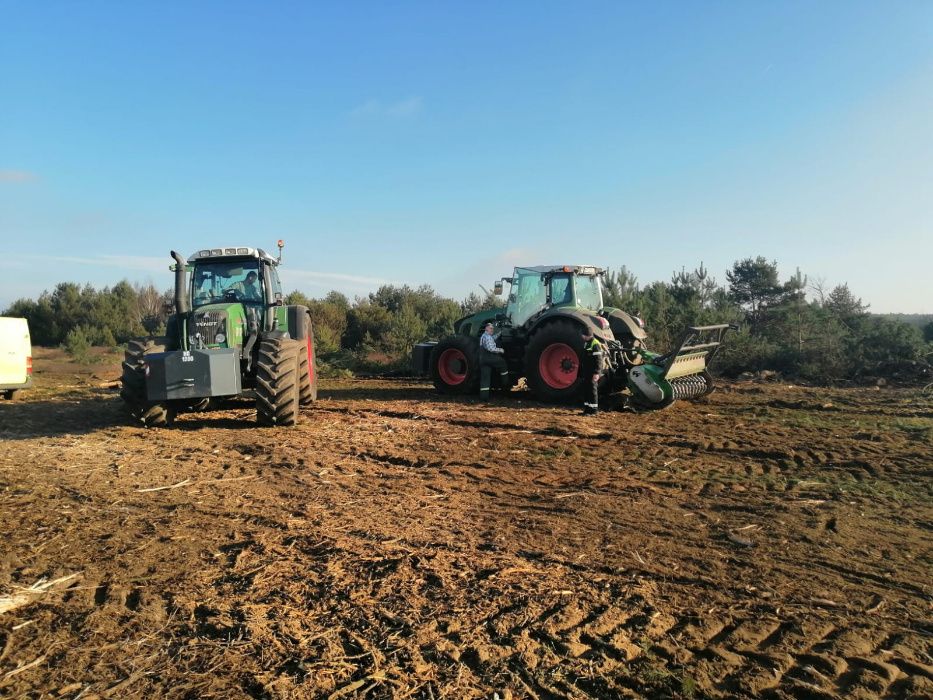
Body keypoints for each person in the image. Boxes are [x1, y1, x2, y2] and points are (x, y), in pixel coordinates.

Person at [479, 323, 509, 401]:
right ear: (486, 329)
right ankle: (505, 384)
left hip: (482, 359)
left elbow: (493, 338)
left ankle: (484, 397)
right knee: (503, 363)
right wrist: (500, 350)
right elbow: (491, 348)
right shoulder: (487, 337)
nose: (492, 329)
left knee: (485, 378)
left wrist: (500, 333)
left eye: (492, 328)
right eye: (491, 328)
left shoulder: (484, 336)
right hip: (489, 357)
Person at [581, 328, 605, 415]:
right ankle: (587, 409)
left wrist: (597, 373)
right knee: (587, 390)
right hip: (587, 371)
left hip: (592, 372)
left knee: (592, 390)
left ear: (586, 335)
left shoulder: (595, 344)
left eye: (583, 335)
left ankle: (594, 410)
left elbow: (599, 360)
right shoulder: (587, 343)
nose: (581, 336)